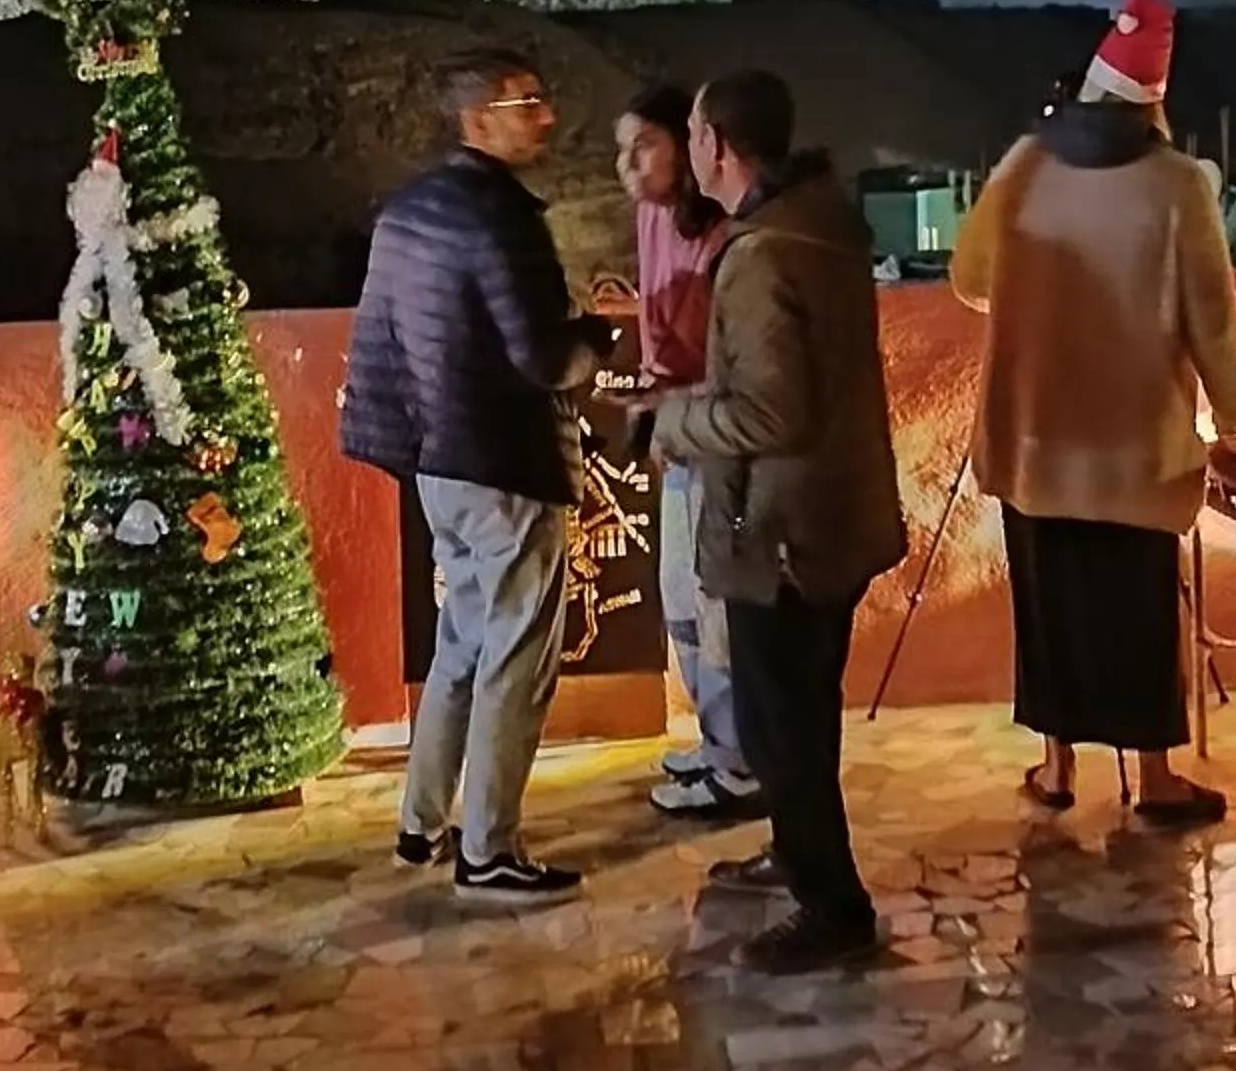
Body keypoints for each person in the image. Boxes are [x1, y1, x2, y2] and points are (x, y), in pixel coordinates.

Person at [952, 0, 1236, 825]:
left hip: (1037, 438)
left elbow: (971, 280)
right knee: (1135, 609)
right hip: (1133, 447)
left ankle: (1054, 770)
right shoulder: (1179, 183)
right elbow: (1211, 318)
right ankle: (1154, 777)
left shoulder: (1023, 165)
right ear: (1157, 102)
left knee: (1048, 606)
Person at [341, 49, 616, 897]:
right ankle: (490, 849)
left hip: (438, 465)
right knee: (517, 655)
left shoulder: (407, 212)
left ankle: (421, 822)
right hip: (506, 462)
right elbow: (540, 355)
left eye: (542, 98)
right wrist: (602, 334)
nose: (545, 117)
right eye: (525, 103)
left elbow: (384, 339)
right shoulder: (501, 217)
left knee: (462, 640)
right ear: (476, 120)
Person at [646, 71, 906, 969]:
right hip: (831, 514)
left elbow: (771, 414)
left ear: (718, 144)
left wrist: (667, 419)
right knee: (799, 713)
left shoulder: (763, 251)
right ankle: (798, 855)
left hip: (786, 529)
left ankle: (833, 907)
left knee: (778, 723)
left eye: (689, 131)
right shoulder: (819, 222)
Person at [613, 86, 762, 821]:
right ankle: (716, 739)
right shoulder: (650, 216)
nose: (628, 164)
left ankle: (739, 764)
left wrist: (673, 407)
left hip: (713, 437)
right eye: (622, 149)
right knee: (679, 595)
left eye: (644, 144)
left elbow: (733, 358)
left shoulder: (729, 232)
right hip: (676, 434)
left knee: (713, 604)